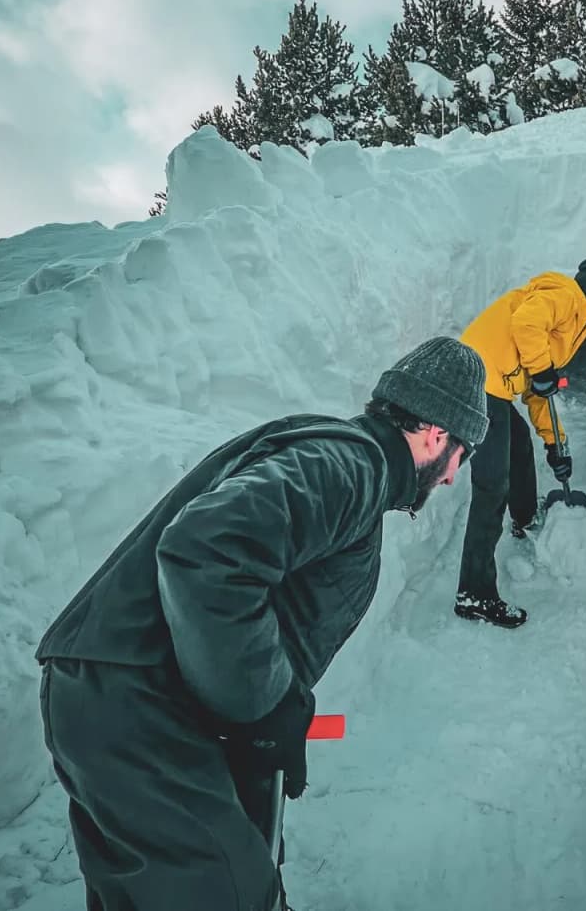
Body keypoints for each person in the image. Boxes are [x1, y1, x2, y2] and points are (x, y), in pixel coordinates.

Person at [35, 336, 489, 911]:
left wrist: (260, 718)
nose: (451, 479)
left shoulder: (339, 457)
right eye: (461, 458)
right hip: (136, 699)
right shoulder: (348, 466)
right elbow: (207, 549)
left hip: (123, 689)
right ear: (437, 434)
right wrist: (265, 707)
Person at [454, 256, 586, 629]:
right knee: (491, 486)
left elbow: (538, 392)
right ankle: (474, 593)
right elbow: (526, 323)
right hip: (478, 380)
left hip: (491, 382)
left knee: (521, 442)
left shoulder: (563, 325)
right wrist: (543, 370)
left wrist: (555, 443)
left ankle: (524, 515)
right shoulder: (565, 295)